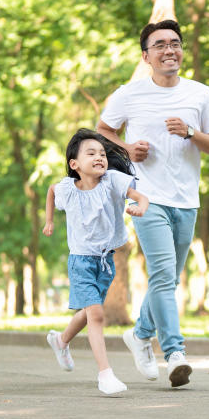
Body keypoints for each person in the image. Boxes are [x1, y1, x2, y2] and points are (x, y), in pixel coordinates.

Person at [97, 20, 209, 388]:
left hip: (187, 200)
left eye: (175, 43)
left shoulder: (200, 94)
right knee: (163, 275)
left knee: (169, 278)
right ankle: (174, 353)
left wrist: (190, 132)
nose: (169, 50)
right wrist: (126, 148)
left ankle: (138, 334)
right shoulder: (130, 94)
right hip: (146, 197)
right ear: (146, 56)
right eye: (160, 45)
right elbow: (103, 130)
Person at [43, 128, 149, 396]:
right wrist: (49, 221)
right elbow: (51, 191)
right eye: (91, 153)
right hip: (80, 262)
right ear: (74, 164)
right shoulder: (68, 188)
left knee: (90, 313)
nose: (100, 157)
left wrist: (141, 206)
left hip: (105, 261)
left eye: (102, 153)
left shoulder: (113, 180)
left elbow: (141, 196)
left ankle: (61, 340)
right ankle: (106, 375)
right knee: (97, 314)